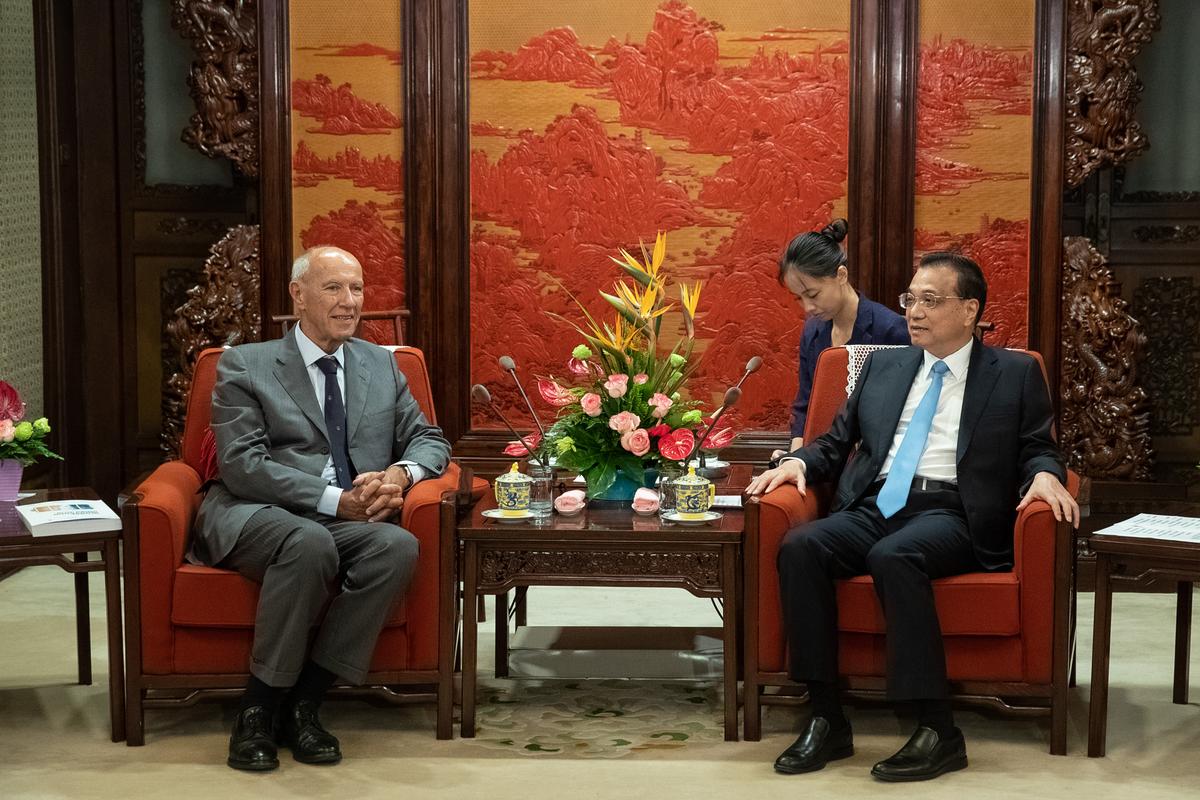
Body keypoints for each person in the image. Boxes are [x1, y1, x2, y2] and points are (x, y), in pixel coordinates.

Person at [747, 252, 1078, 782]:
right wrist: (796, 463)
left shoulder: (1014, 373)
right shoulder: (884, 364)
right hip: (877, 502)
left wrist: (1045, 474)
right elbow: (834, 443)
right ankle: (827, 717)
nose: (914, 312)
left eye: (930, 300)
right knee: (802, 547)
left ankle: (938, 728)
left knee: (894, 555)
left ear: (969, 310)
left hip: (954, 511)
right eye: (910, 299)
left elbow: (1038, 446)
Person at [190, 245, 451, 771]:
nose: (349, 301)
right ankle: (258, 708)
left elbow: (428, 439)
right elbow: (242, 466)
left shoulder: (381, 364)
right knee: (306, 542)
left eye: (356, 289)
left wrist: (402, 474)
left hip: (346, 517)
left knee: (397, 546)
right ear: (298, 295)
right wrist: (337, 499)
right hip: (257, 512)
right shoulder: (246, 364)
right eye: (333, 288)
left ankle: (306, 702)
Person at [773, 219, 909, 460]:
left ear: (841, 275)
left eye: (813, 294)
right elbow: (806, 405)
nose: (808, 307)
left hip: (873, 459)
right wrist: (794, 458)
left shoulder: (890, 330)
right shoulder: (813, 332)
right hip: (819, 457)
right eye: (799, 299)